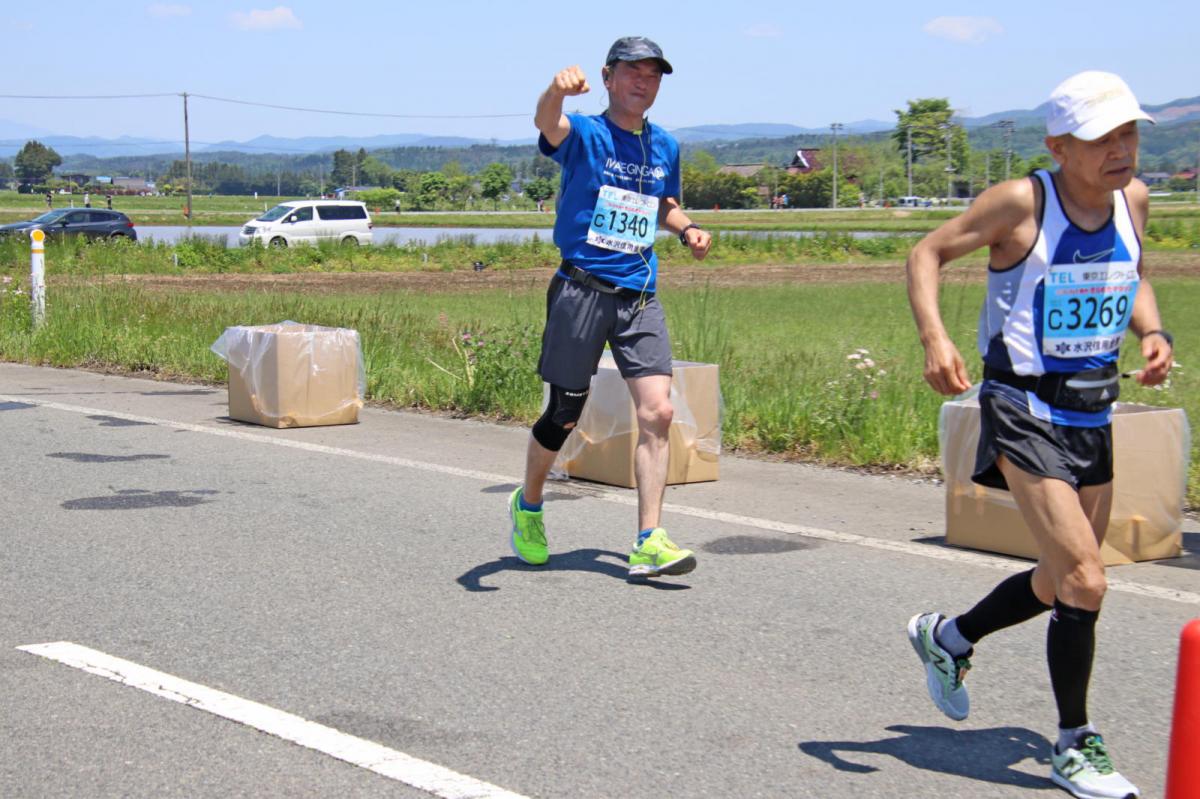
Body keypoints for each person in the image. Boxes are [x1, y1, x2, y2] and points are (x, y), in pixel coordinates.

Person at [905, 71, 1172, 799]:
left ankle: (949, 636)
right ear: (1058, 145)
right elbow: (924, 254)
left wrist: (1151, 330)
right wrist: (935, 338)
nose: (1121, 150)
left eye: (1129, 133)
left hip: (1093, 409)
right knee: (1088, 578)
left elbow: (1135, 273)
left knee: (1060, 580)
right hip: (1021, 406)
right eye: (1100, 138)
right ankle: (1074, 742)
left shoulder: (1133, 200)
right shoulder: (1024, 202)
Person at [508, 36, 712, 579]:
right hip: (580, 291)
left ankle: (649, 539)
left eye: (654, 74)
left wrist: (686, 226)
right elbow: (547, 124)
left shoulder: (664, 145)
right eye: (633, 72)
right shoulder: (586, 134)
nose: (644, 81)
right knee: (564, 413)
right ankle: (527, 506)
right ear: (608, 77)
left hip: (639, 295)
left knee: (659, 412)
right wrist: (555, 90)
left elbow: (662, 203)